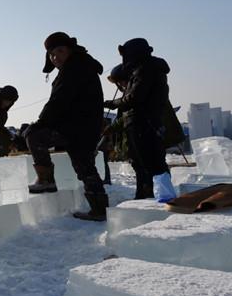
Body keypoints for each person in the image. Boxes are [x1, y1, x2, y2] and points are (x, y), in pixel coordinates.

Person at [25, 32, 107, 221]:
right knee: (85, 167)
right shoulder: (82, 66)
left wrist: (40, 123)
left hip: (75, 127)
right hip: (84, 127)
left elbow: (59, 101)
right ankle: (99, 209)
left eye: (60, 51)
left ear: (70, 50)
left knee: (34, 135)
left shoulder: (74, 68)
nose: (56, 58)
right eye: (51, 55)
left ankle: (46, 180)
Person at [103, 38, 175, 203]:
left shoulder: (145, 69)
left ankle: (158, 198)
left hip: (144, 124)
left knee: (150, 164)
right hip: (144, 123)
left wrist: (112, 103)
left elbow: (135, 98)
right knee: (147, 164)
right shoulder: (149, 69)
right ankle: (148, 196)